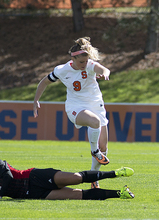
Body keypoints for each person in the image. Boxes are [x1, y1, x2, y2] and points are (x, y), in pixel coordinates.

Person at [33, 37, 111, 189]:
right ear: (73, 58)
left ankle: (93, 177)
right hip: (75, 107)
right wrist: (36, 100)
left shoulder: (89, 65)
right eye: (81, 62)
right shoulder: (61, 70)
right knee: (95, 122)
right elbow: (44, 82)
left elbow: (103, 69)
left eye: (86, 61)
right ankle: (94, 151)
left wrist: (105, 74)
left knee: (104, 148)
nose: (84, 64)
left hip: (96, 105)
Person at [0, 159, 135, 200]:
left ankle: (115, 173)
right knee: (78, 195)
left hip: (35, 177)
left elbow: (6, 177)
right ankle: (121, 194)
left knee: (76, 178)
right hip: (35, 194)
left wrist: (1, 193)